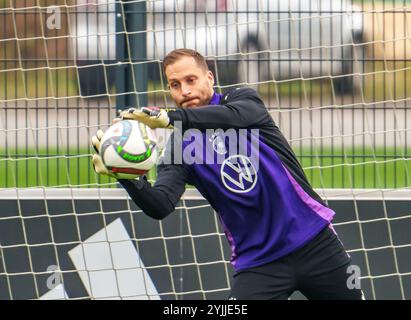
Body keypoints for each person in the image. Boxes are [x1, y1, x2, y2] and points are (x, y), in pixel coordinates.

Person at [91, 48, 364, 300]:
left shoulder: (241, 101)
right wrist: (126, 176)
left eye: (191, 80)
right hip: (259, 264)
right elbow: (160, 205)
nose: (184, 91)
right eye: (175, 85)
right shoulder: (179, 146)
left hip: (315, 242)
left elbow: (232, 116)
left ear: (209, 78)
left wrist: (170, 118)